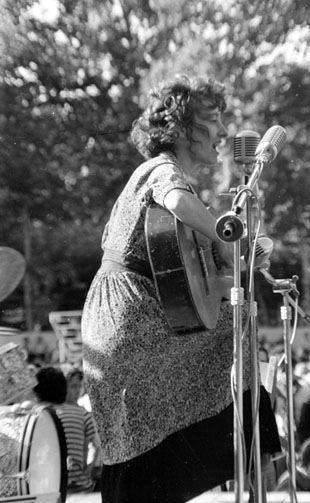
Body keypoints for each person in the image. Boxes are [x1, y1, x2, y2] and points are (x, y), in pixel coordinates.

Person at [81, 74, 281, 503]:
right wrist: (228, 237)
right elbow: (175, 201)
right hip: (132, 322)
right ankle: (253, 453)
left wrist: (241, 270)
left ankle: (252, 452)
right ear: (181, 128)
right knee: (231, 338)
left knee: (236, 321)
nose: (225, 132)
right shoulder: (160, 170)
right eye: (214, 120)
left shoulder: (183, 190)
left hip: (140, 318)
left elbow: (194, 283)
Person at [33, 366, 100, 494]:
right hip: (79, 485)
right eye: (73, 386)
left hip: (49, 486)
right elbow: (95, 447)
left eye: (79, 386)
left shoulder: (36, 415)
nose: (77, 391)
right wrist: (86, 473)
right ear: (64, 387)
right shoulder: (82, 414)